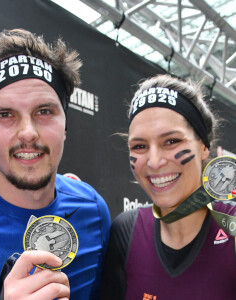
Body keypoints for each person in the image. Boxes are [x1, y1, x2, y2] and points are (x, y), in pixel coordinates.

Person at [0, 29, 110, 300]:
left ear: (66, 124)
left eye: (44, 111)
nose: (28, 132)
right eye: (5, 114)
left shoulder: (93, 210)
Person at [100, 74, 236, 299]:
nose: (154, 162)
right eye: (140, 146)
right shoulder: (126, 231)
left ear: (203, 146)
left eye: (171, 141)